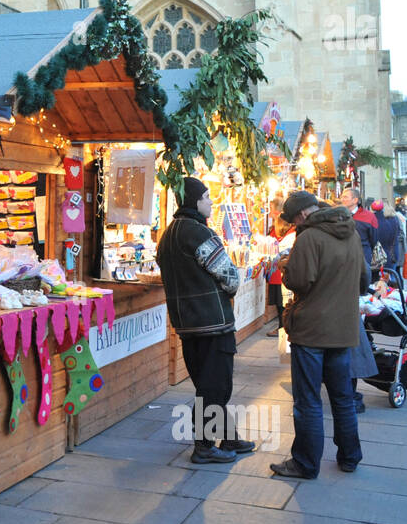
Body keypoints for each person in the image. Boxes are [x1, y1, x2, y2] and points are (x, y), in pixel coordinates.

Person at [269, 191, 368, 479]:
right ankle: (350, 457)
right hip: (343, 329)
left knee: (308, 400)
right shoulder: (350, 232)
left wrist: (286, 267)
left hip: (312, 331)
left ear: (301, 215)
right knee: (343, 397)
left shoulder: (310, 238)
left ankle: (306, 463)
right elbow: (364, 279)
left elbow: (299, 281)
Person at [156, 177, 255, 463]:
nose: (211, 202)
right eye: (207, 197)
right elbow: (230, 277)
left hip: (187, 324)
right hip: (212, 322)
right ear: (194, 201)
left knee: (208, 382)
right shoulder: (198, 233)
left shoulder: (169, 235)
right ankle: (204, 446)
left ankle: (228, 436)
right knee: (216, 385)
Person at [341, 187, 379, 267]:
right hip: (343, 257)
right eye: (342, 197)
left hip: (363, 256)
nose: (342, 199)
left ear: (355, 200)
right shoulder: (338, 215)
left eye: (345, 197)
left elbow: (374, 239)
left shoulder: (369, 217)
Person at [375, 199, 403, 274]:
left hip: (381, 254)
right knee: (393, 275)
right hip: (393, 252)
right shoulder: (395, 219)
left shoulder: (379, 220)